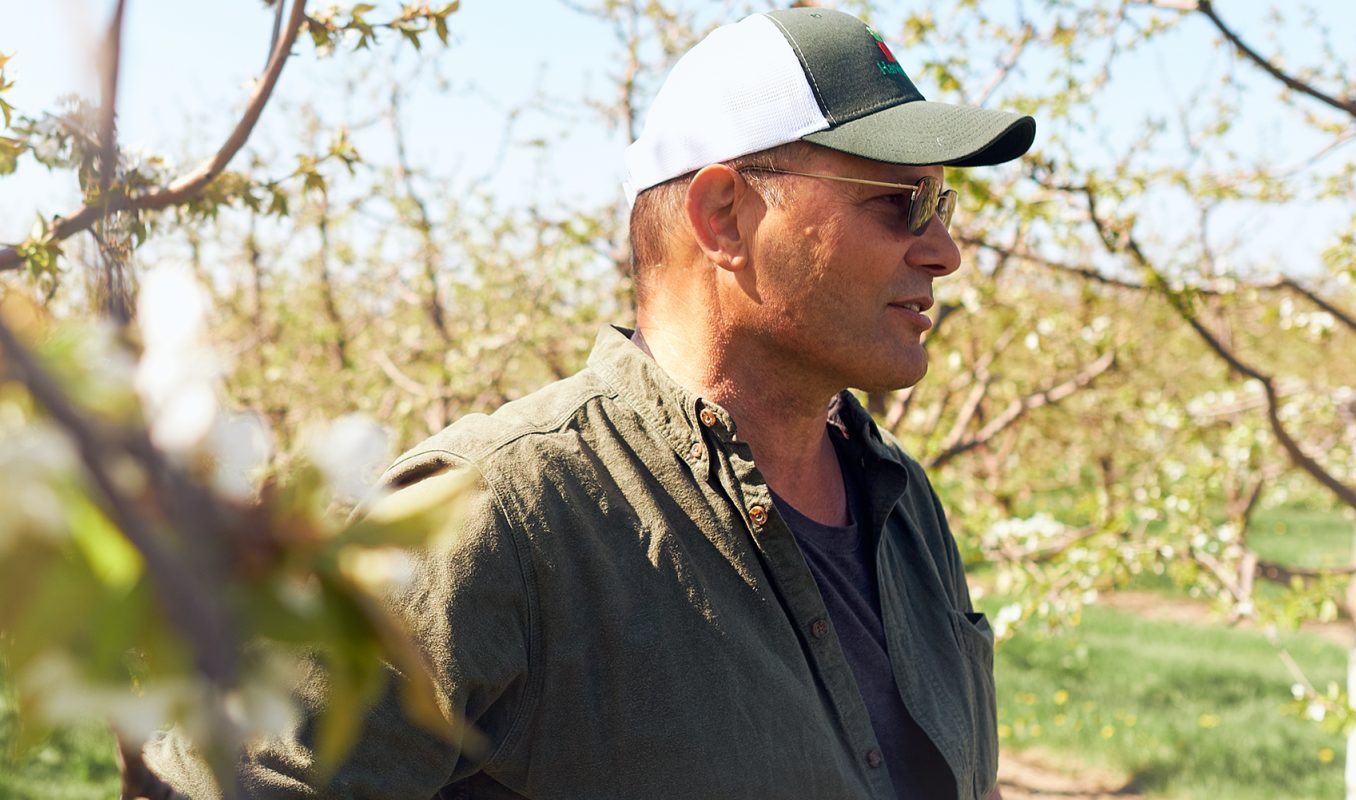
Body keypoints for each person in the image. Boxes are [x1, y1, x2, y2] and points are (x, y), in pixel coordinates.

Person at [146, 7, 1034, 799]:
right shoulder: (496, 515)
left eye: (941, 201)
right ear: (722, 215)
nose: (946, 251)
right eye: (900, 202)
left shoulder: (903, 502)